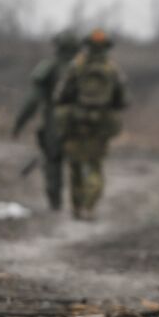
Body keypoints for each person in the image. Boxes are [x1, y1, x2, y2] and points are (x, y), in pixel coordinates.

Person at [53, 29, 128, 220]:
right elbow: (122, 100)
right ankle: (90, 206)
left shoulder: (76, 66)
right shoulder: (112, 69)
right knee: (95, 166)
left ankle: (77, 207)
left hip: (75, 123)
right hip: (100, 126)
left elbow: (61, 95)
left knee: (75, 167)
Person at [12, 30, 80, 210]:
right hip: (82, 124)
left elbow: (32, 100)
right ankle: (81, 203)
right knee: (80, 162)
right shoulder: (85, 68)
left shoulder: (50, 67)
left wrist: (19, 123)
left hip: (55, 124)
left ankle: (55, 203)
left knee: (53, 161)